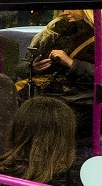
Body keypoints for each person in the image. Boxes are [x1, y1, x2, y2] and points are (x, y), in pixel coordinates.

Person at [14, 10, 95, 146]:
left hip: (79, 104)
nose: (66, 12)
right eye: (63, 8)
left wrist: (71, 63)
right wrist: (32, 68)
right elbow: (21, 66)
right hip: (42, 98)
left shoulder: (97, 36)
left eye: (71, 7)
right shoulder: (52, 32)